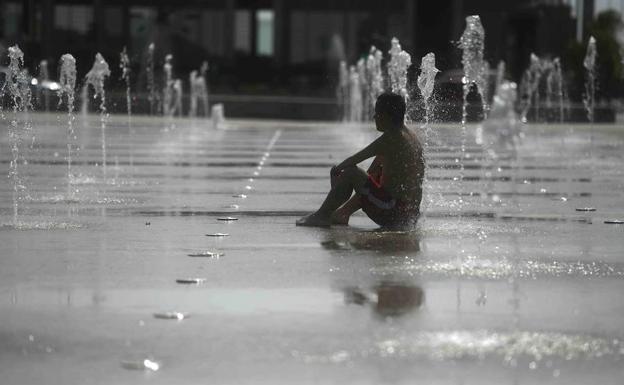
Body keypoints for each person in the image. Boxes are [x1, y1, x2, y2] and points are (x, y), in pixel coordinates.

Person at [297, 92, 424, 228]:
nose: (374, 117)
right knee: (374, 173)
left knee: (351, 172)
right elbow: (367, 181)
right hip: (408, 216)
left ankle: (322, 216)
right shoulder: (410, 136)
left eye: (377, 113)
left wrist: (336, 172)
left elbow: (354, 159)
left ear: (386, 116)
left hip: (393, 214)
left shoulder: (392, 137)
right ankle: (343, 213)